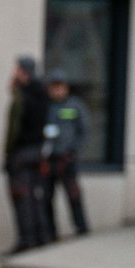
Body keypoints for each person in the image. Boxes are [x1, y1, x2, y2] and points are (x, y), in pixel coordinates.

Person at [4, 56, 52, 253]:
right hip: (38, 152)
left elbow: (13, 129)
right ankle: (42, 237)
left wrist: (8, 154)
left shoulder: (23, 96)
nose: (14, 74)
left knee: (22, 197)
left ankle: (27, 241)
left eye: (17, 70)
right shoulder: (43, 94)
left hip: (22, 154)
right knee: (35, 198)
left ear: (24, 72)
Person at [43, 73, 91, 240]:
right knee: (46, 197)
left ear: (66, 88)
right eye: (54, 87)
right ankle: (50, 232)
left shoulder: (74, 106)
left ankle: (81, 228)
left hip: (67, 158)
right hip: (49, 158)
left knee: (73, 195)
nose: (57, 90)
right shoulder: (47, 106)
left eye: (60, 87)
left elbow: (83, 131)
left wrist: (74, 150)